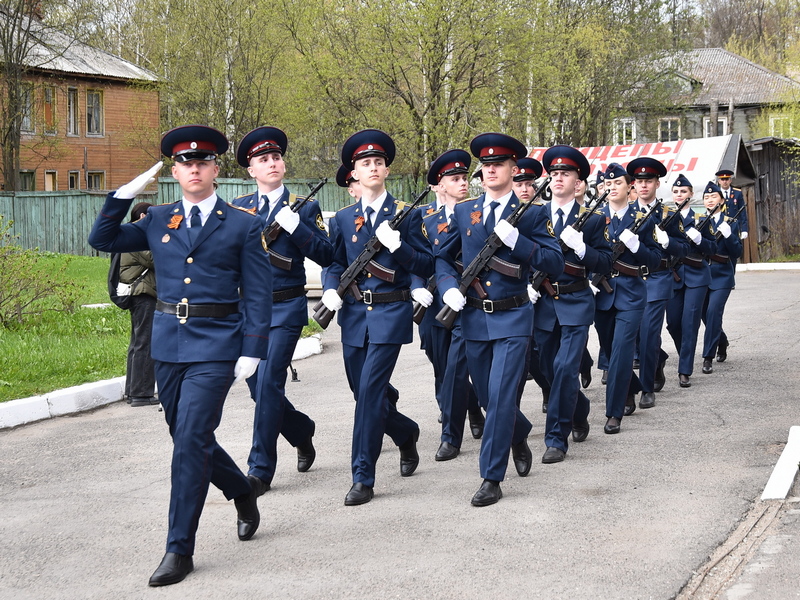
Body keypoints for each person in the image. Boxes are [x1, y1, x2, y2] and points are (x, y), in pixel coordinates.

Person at [88, 125, 271, 587]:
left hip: (216, 343)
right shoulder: (157, 219)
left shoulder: (243, 223)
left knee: (191, 438)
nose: (195, 168)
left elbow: (259, 292)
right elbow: (102, 241)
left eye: (203, 162)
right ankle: (240, 488)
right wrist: (119, 198)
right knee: (185, 434)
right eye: (186, 163)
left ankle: (178, 549)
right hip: (168, 343)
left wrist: (253, 348)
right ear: (174, 170)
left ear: (215, 169)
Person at [436, 132, 563, 505]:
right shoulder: (464, 211)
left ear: (512, 169)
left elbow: (555, 262)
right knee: (492, 399)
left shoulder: (533, 213)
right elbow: (442, 257)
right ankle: (517, 432)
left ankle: (491, 477)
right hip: (474, 319)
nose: (490, 170)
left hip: (513, 318)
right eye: (485, 166)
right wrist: (447, 287)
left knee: (504, 394)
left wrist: (519, 243)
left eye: (498, 165)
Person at [320, 129, 434, 506]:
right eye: (365, 163)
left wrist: (399, 248)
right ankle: (405, 433)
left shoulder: (405, 214)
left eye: (379, 162)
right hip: (353, 315)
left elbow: (425, 262)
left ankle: (362, 476)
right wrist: (330, 288)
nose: (373, 167)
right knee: (365, 393)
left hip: (390, 311)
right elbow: (334, 263)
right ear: (353, 172)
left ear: (386, 170)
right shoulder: (344, 218)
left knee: (369, 392)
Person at [231, 127, 334, 496]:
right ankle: (301, 430)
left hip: (287, 305)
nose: (271, 163)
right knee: (259, 390)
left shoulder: (304, 207)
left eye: (275, 157)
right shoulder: (239, 208)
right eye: (263, 160)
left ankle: (259, 470)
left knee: (271, 380)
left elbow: (326, 254)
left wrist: (299, 229)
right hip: (248, 311)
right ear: (251, 170)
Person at [535, 145, 612, 463]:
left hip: (576, 301)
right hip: (543, 304)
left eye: (564, 174)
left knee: (566, 368)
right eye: (553, 174)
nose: (557, 179)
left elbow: (606, 263)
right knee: (547, 371)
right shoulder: (533, 217)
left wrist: (583, 250)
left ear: (579, 182)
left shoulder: (592, 221)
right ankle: (579, 409)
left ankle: (556, 437)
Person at [413, 149, 485, 461]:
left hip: (468, 301)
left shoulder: (475, 213)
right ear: (439, 186)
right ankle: (471, 409)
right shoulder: (423, 218)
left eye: (464, 178)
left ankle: (450, 435)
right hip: (433, 303)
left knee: (457, 368)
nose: (462, 183)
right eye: (454, 179)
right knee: (441, 365)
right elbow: (416, 260)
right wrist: (416, 287)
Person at [593, 161, 661, 434]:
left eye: (617, 183)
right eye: (608, 183)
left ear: (629, 186)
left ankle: (613, 412)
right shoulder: (595, 217)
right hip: (602, 294)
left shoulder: (642, 219)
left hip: (631, 295)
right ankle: (631, 386)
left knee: (621, 353)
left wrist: (637, 246)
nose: (611, 187)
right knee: (610, 351)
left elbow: (655, 260)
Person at [631, 159, 689, 410]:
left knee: (648, 333)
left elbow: (684, 248)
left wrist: (668, 243)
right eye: (639, 181)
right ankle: (658, 359)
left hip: (658, 278)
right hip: (629, 279)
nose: (643, 185)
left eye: (648, 181)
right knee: (633, 336)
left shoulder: (668, 214)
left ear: (657, 183)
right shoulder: (624, 211)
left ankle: (645, 388)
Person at [665, 175, 717, 389]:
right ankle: (685, 352)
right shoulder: (666, 219)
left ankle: (684, 369)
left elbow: (713, 248)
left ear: (691, 194)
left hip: (696, 275)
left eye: (683, 192)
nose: (679, 195)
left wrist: (700, 240)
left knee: (690, 322)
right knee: (673, 324)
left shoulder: (701, 219)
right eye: (676, 192)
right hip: (674, 275)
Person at [701, 181, 743, 373]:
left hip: (722, 274)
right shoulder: (699, 222)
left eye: (713, 196)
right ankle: (722, 341)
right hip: (702, 274)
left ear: (722, 200)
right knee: (704, 314)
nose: (709, 200)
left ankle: (707, 357)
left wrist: (729, 236)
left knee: (713, 312)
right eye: (706, 197)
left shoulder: (730, 223)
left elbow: (736, 252)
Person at [120, 202, 159, 407]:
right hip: (144, 295)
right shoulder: (138, 236)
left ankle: (132, 391)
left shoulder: (131, 234)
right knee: (145, 342)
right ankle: (142, 394)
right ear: (144, 216)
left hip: (140, 294)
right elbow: (155, 259)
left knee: (137, 343)